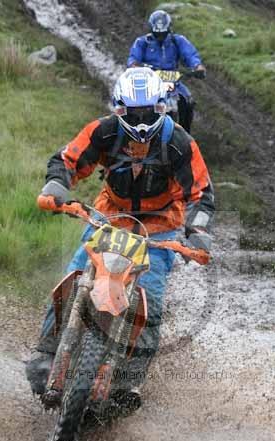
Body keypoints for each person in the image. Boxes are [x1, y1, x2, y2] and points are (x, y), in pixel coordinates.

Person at [26, 67, 214, 411]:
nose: (141, 122)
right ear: (119, 108)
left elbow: (201, 194)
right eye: (133, 113)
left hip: (159, 228)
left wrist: (197, 234)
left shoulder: (179, 142)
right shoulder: (103, 131)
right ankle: (46, 351)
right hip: (108, 218)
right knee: (75, 276)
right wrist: (56, 186)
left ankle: (130, 380)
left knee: (150, 299)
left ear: (162, 107)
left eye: (148, 112)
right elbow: (67, 159)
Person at [127, 9, 206, 132]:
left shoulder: (178, 41)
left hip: (174, 83)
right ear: (151, 30)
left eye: (163, 34)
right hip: (149, 82)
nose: (160, 38)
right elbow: (133, 59)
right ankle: (131, 131)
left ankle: (185, 135)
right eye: (157, 34)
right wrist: (134, 66)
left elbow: (190, 54)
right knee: (131, 104)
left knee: (187, 101)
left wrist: (197, 66)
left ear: (169, 30)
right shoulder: (142, 42)